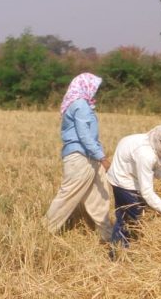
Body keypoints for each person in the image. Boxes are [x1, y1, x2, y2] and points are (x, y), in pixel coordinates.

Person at [45, 73, 113, 242]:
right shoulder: (80, 105)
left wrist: (97, 156)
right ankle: (45, 231)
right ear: (86, 86)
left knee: (99, 196)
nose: (95, 91)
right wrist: (102, 157)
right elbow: (84, 135)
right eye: (94, 87)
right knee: (68, 195)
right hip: (80, 157)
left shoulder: (77, 103)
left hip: (88, 156)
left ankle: (109, 236)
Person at [107, 124, 161, 248]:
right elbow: (147, 192)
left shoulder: (153, 143)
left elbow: (157, 170)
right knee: (135, 219)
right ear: (159, 142)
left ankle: (119, 250)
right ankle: (121, 252)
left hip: (122, 176)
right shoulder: (145, 154)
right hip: (124, 182)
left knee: (125, 217)